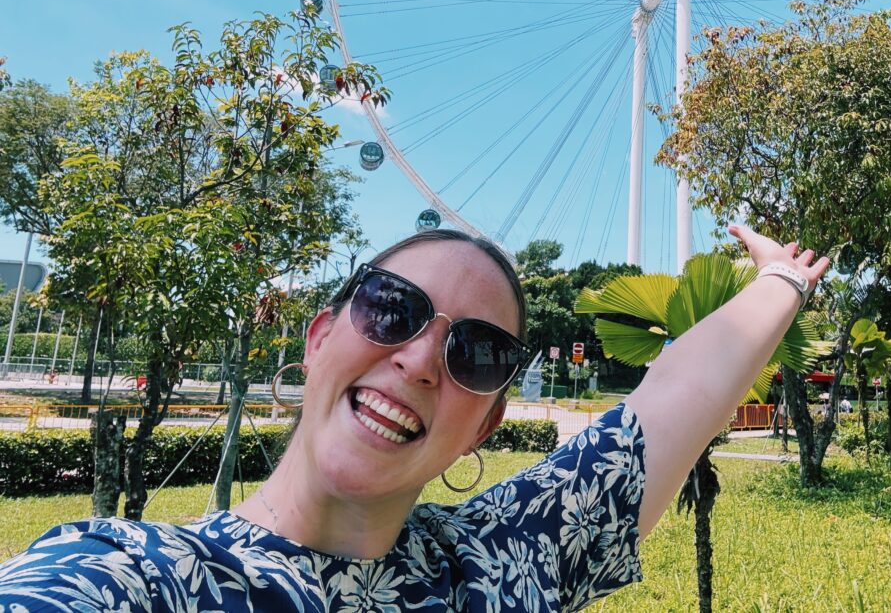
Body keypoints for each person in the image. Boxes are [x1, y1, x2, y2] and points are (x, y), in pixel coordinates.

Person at [0, 224, 828, 610]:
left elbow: (676, 395)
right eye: (392, 308)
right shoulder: (136, 577)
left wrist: (782, 281)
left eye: (477, 353)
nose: (422, 360)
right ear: (318, 338)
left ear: (485, 428)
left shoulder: (508, 559)